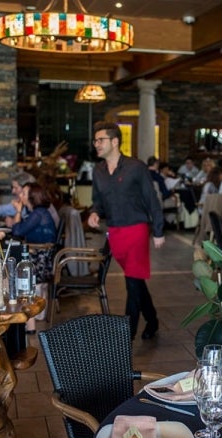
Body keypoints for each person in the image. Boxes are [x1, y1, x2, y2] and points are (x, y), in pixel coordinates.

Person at [88, 121, 164, 341]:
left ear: (114, 141)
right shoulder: (98, 170)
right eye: (95, 140)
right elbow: (98, 201)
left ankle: (126, 334)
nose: (96, 144)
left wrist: (158, 230)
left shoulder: (136, 167)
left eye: (100, 140)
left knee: (132, 281)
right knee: (136, 279)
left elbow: (152, 200)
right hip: (115, 232)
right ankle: (152, 319)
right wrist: (94, 213)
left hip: (137, 229)